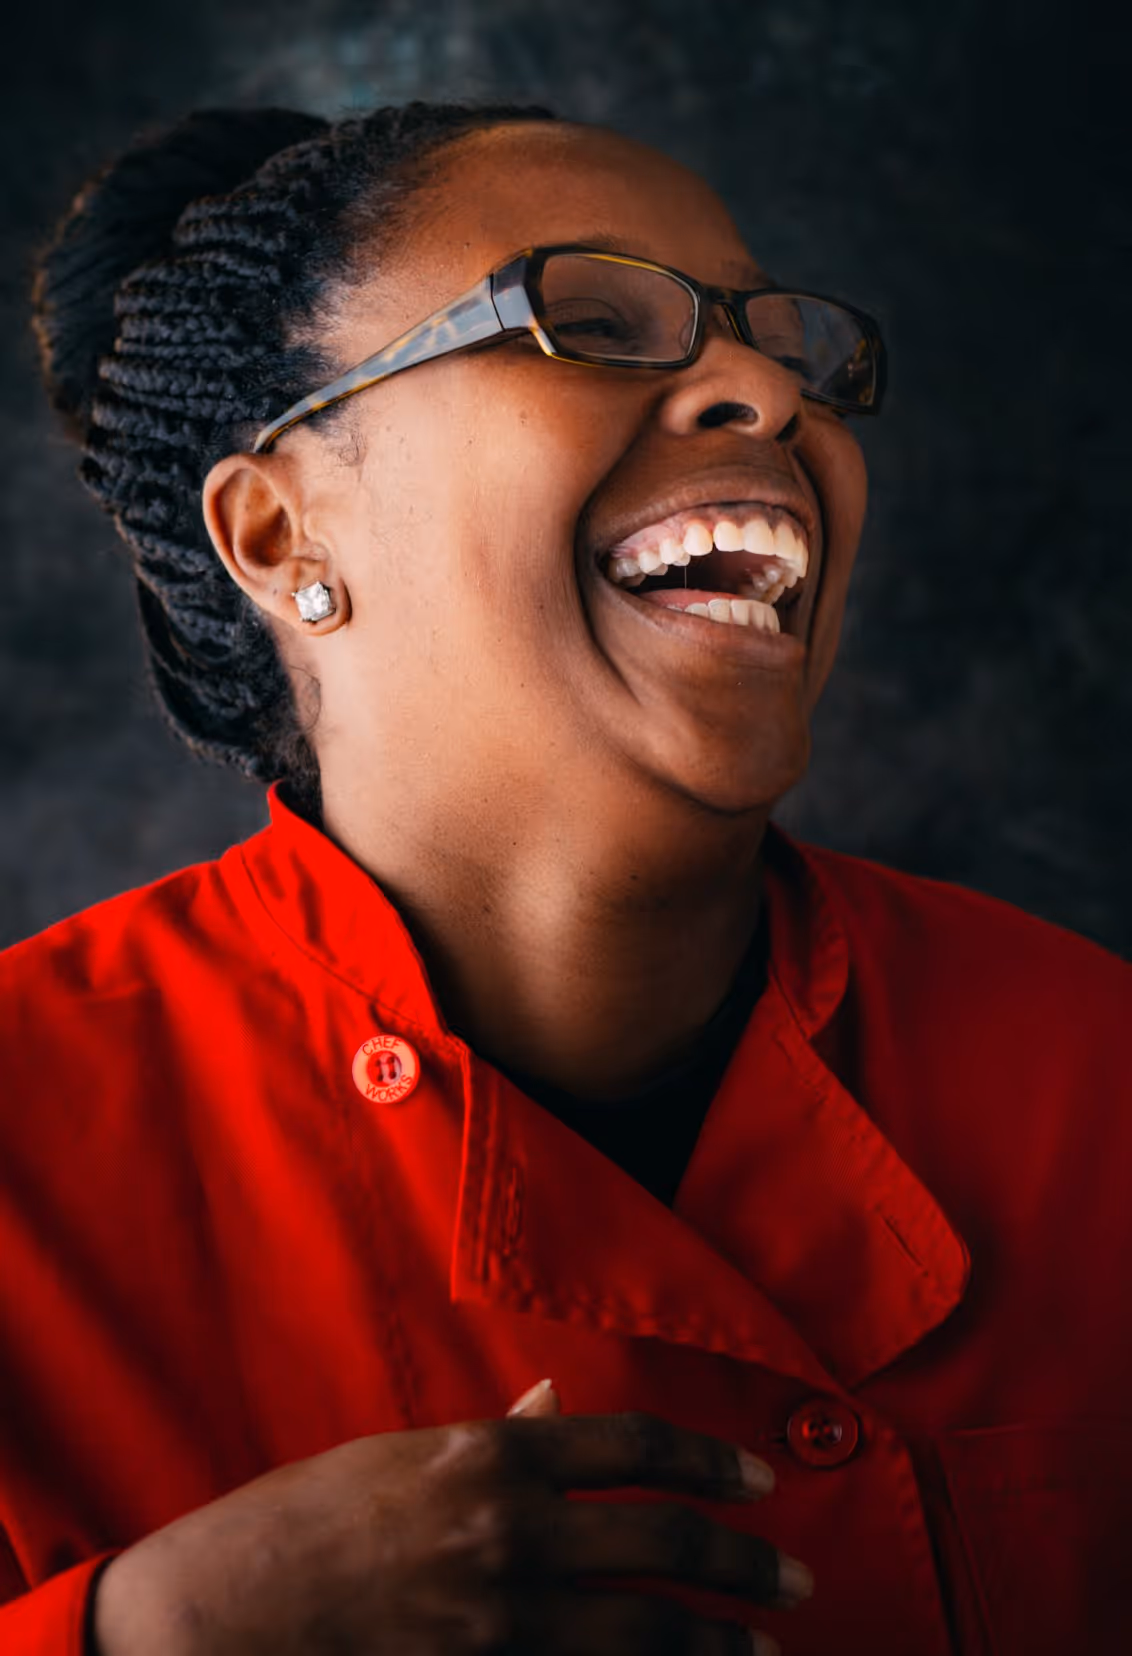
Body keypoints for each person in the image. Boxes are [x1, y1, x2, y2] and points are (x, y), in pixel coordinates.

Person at [3, 95, 1128, 1656]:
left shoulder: (1095, 1065)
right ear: (278, 533)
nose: (762, 391)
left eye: (781, 350)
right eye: (583, 322)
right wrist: (152, 1631)